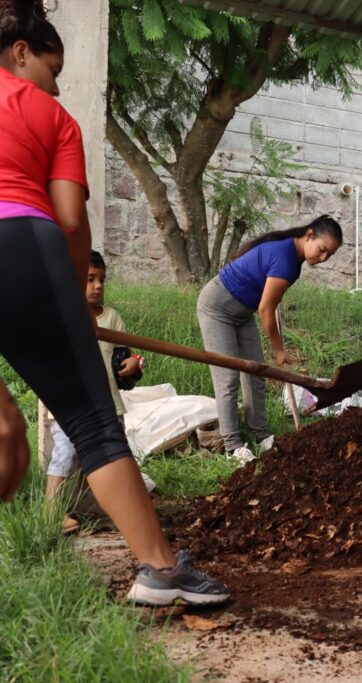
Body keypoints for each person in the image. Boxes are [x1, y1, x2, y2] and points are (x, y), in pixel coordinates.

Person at [0, 0, 229, 603]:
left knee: (4, 430)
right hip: (20, 241)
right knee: (94, 423)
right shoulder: (48, 116)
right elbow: (72, 220)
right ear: (20, 53)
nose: (54, 85)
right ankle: (162, 570)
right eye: (52, 71)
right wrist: (75, 303)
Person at [197, 215, 342, 462]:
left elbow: (270, 302)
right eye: (322, 250)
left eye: (329, 255)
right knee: (228, 378)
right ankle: (232, 445)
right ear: (308, 235)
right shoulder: (285, 258)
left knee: (256, 373)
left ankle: (261, 435)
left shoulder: (293, 260)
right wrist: (279, 350)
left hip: (242, 313)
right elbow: (266, 309)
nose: (323, 258)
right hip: (216, 308)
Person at [45, 250, 155, 535]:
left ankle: (126, 510)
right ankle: (50, 511)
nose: (97, 286)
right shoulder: (59, 318)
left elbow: (126, 358)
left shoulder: (112, 318)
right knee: (66, 454)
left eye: (102, 280)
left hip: (109, 405)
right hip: (71, 406)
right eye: (90, 279)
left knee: (117, 454)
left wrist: (134, 364)